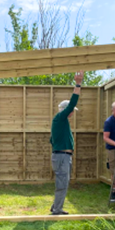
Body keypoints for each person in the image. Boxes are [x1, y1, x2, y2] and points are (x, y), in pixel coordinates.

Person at [49, 71, 84, 215]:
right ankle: (57, 209)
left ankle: (55, 206)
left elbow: (52, 140)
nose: (73, 113)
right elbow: (73, 103)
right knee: (62, 183)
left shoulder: (60, 122)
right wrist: (78, 84)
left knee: (62, 182)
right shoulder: (60, 118)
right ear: (65, 110)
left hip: (61, 156)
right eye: (71, 111)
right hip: (62, 157)